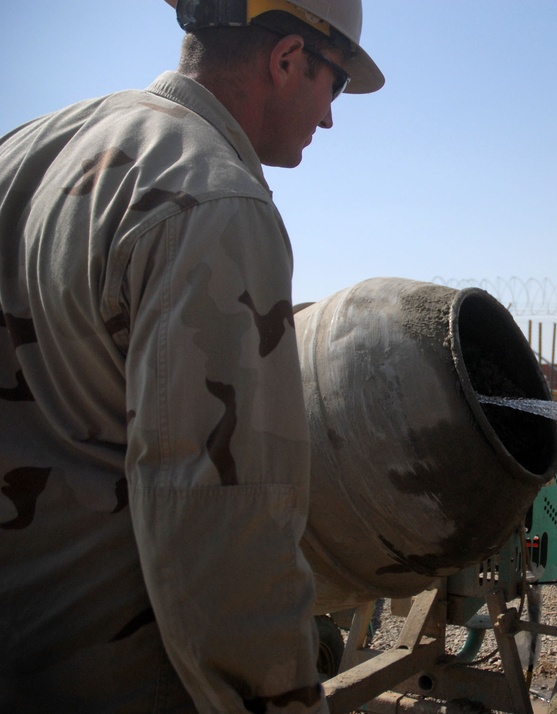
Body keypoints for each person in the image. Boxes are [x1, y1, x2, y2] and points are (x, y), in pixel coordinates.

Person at [0, 1, 382, 711]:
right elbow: (221, 534)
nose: (330, 117)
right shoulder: (217, 199)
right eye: (334, 85)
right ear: (288, 58)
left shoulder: (29, 148)